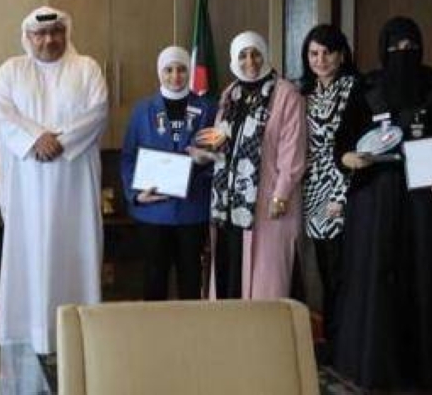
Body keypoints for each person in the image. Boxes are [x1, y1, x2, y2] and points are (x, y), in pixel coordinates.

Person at [332, 16, 432, 391]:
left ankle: (431, 371)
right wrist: (349, 159)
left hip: (427, 203)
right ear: (383, 50)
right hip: (375, 202)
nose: (403, 54)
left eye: (410, 47)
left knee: (426, 278)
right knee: (377, 282)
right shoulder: (367, 86)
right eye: (395, 48)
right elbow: (342, 143)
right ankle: (374, 367)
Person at [0, 6, 108, 354]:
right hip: (27, 183)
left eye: (55, 32)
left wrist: (61, 142)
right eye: (40, 34)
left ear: (65, 33)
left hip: (74, 182)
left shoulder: (86, 68)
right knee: (30, 253)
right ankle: (29, 333)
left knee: (76, 250)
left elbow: (97, 112)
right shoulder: (11, 71)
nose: (48, 39)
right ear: (28, 37)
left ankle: (79, 335)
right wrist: (35, 139)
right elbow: (3, 113)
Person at [195, 31, 306, 300]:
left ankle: (266, 328)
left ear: (265, 55)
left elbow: (292, 151)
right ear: (234, 59)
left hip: (269, 203)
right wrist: (205, 153)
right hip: (230, 205)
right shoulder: (230, 94)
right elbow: (223, 141)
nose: (250, 62)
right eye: (243, 55)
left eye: (256, 54)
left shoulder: (286, 94)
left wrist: (280, 196)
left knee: (268, 279)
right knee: (231, 270)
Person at [120, 46, 216, 300]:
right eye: (169, 70)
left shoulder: (208, 108)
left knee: (191, 282)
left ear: (189, 71)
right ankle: (155, 328)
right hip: (153, 212)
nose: (175, 76)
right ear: (159, 72)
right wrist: (135, 194)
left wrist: (205, 162)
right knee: (154, 283)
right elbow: (128, 157)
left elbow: (219, 157)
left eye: (181, 69)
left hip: (192, 210)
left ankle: (190, 328)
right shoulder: (142, 110)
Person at [297, 24, 359, 360]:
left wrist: (342, 194)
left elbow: (357, 143)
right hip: (313, 188)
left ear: (341, 55)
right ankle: (332, 340)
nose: (320, 60)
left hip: (345, 184)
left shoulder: (355, 89)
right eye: (313, 53)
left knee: (345, 270)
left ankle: (346, 343)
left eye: (327, 53)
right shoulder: (303, 93)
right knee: (325, 269)